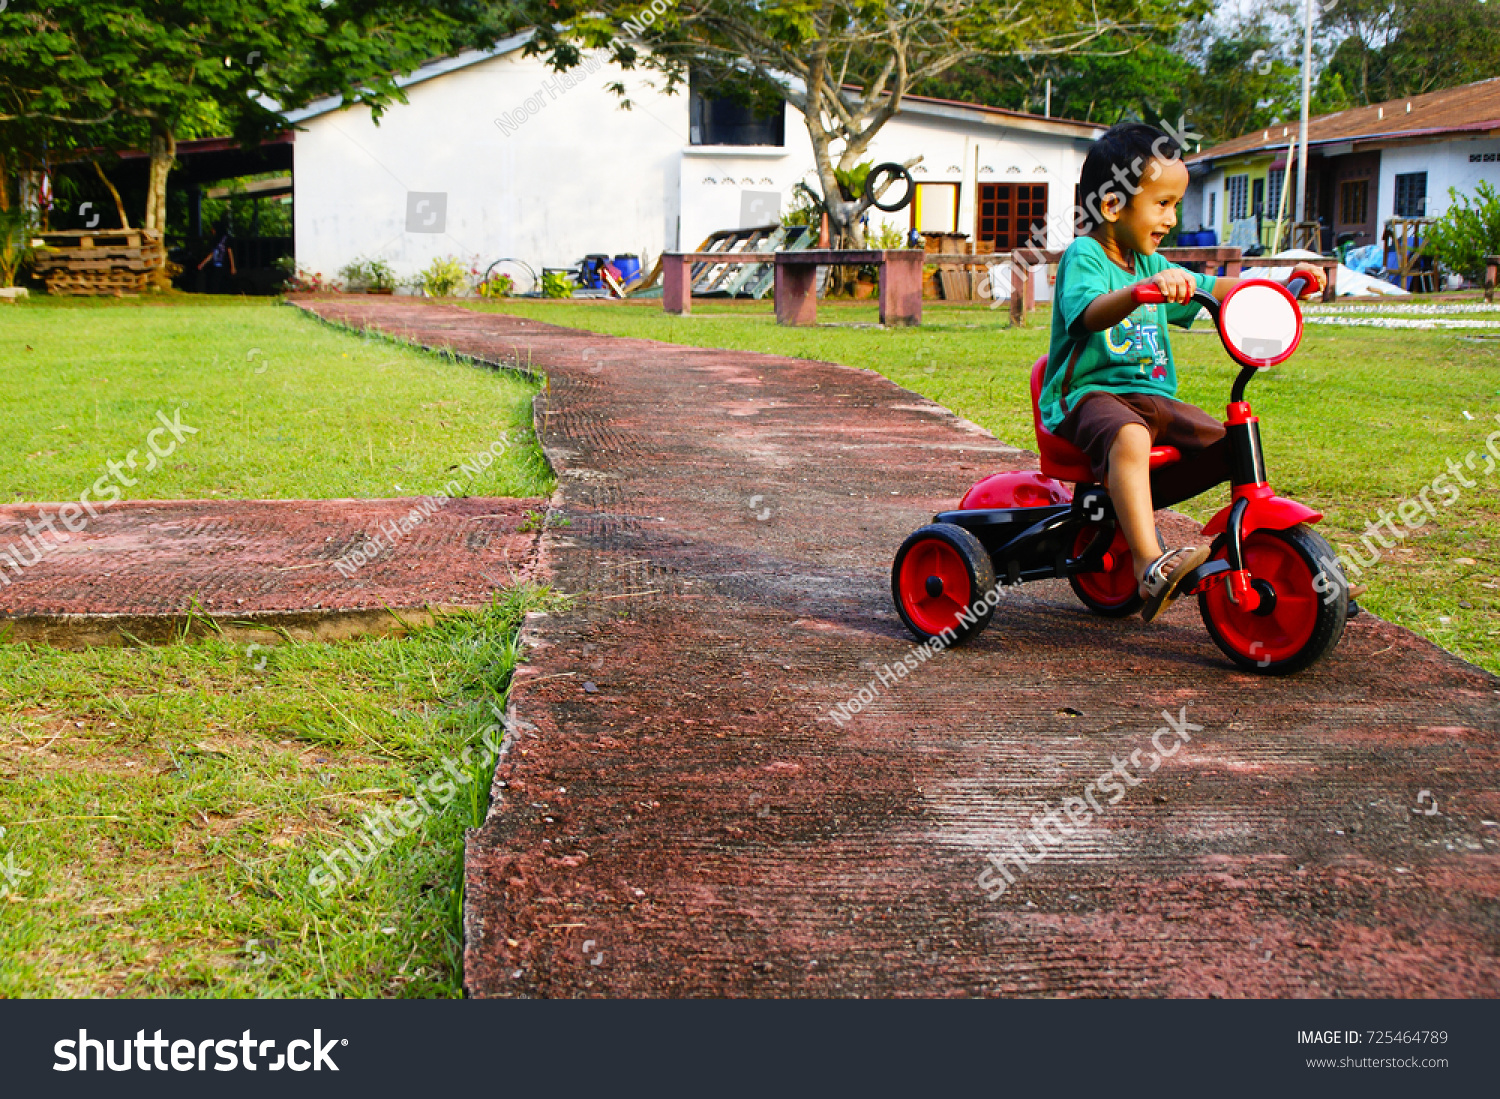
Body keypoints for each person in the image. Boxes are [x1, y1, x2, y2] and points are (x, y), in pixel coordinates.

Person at [1039, 122, 1327, 622]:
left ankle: (1278, 563)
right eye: (1163, 204)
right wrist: (1139, 293)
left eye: (1176, 204)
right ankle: (1149, 565)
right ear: (1111, 207)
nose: (1172, 217)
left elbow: (1214, 287)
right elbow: (1086, 313)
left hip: (1150, 398)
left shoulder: (1153, 262)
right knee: (1129, 437)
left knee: (1231, 446)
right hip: (1086, 396)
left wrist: (1280, 284)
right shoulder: (1086, 256)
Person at [196, 218, 236, 293]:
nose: (212, 230)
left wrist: (232, 266)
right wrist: (203, 264)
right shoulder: (215, 240)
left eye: (213, 229)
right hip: (215, 265)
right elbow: (212, 253)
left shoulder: (227, 239)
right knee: (214, 282)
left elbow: (230, 252)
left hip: (225, 265)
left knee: (223, 283)